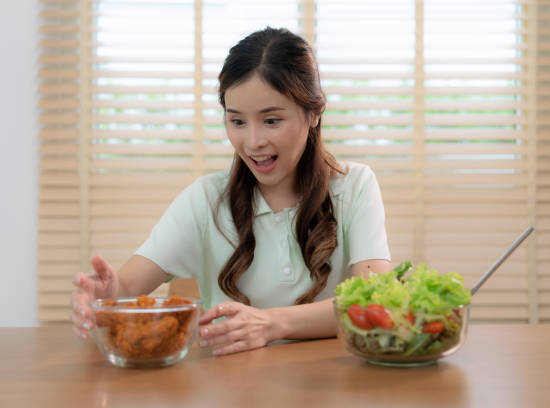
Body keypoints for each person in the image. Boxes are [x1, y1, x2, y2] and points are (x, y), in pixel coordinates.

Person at [71, 27, 391, 356]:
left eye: (271, 121)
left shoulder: (354, 186)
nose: (252, 143)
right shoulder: (205, 200)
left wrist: (272, 324)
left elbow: (375, 304)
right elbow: (127, 287)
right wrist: (106, 294)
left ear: (313, 113)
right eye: (237, 121)